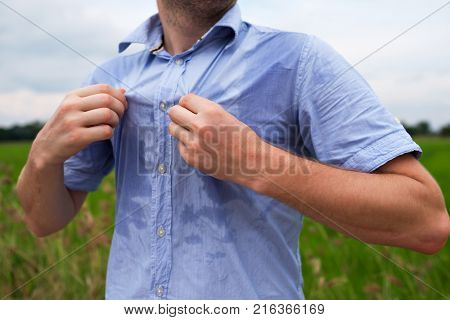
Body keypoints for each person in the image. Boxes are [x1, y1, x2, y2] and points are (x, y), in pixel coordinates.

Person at [16, 0, 449, 299]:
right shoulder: (111, 74)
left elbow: (426, 221)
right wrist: (42, 157)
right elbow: (43, 220)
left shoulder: (300, 61)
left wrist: (257, 163)